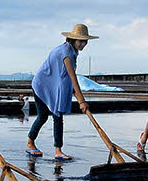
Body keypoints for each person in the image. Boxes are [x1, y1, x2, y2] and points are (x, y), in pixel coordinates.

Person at [27, 23, 98, 161]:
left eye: (85, 41)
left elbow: (66, 78)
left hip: (53, 86)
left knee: (55, 116)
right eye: (80, 41)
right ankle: (37, 144)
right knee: (47, 116)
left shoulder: (72, 51)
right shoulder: (66, 53)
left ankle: (55, 149)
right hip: (42, 85)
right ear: (72, 40)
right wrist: (82, 101)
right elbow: (73, 77)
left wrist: (78, 96)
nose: (83, 44)